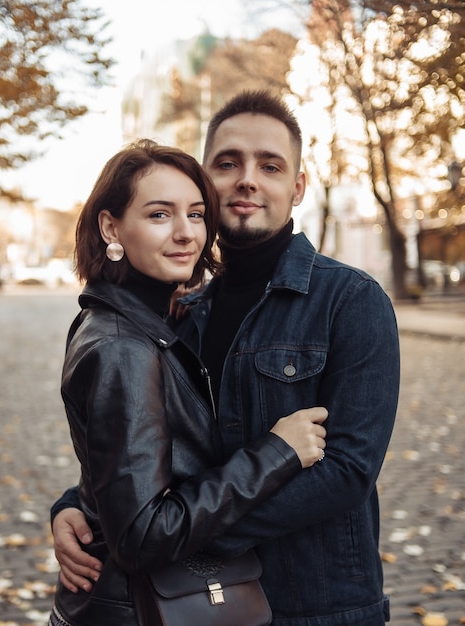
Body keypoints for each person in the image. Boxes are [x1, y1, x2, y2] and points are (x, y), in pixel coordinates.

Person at [51, 92, 400, 625]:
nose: (248, 179)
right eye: (228, 163)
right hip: (205, 607)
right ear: (205, 180)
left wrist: (163, 536)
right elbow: (153, 449)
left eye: (270, 165)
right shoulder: (181, 311)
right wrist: (81, 506)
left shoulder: (351, 301)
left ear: (298, 187)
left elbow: (347, 471)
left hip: (315, 601)